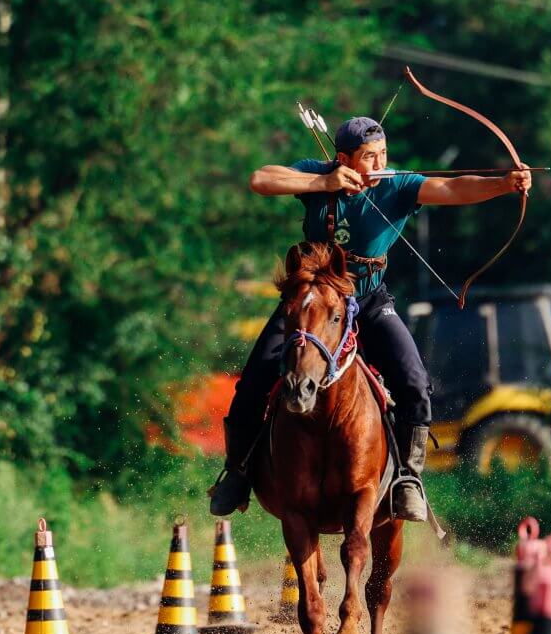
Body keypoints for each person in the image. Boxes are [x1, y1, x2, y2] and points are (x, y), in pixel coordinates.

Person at [209, 116, 531, 521]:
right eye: (368, 157)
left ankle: (408, 478)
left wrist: (503, 184)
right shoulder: (318, 174)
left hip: (369, 301)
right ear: (344, 159)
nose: (380, 163)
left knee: (414, 381)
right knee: (255, 378)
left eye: (383, 154)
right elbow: (261, 179)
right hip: (314, 302)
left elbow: (452, 187)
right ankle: (238, 472)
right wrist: (324, 183)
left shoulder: (398, 185)